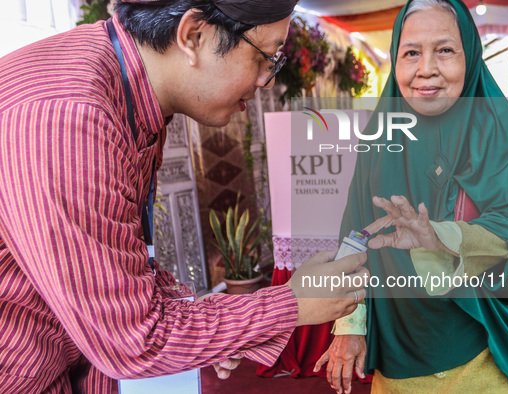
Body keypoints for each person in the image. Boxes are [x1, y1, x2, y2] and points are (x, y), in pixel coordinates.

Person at [0, 1, 370, 392]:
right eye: (265, 58)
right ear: (194, 35)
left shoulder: (128, 90)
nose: (267, 80)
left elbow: (123, 259)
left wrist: (220, 327)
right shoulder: (67, 120)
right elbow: (134, 340)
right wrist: (292, 304)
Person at [314, 1, 508, 393]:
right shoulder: (380, 137)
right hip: (400, 352)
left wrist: (439, 237)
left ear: (469, 55)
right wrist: (350, 324)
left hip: (485, 349)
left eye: (445, 50)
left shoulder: (501, 134)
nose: (426, 69)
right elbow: (355, 230)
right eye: (411, 53)